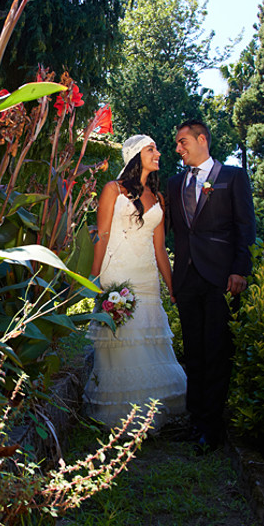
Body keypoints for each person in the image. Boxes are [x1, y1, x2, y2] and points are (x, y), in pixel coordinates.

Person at [84, 134, 186, 430]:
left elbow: (160, 248)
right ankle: (122, 416)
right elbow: (102, 235)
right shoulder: (113, 190)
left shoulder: (159, 198)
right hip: (118, 275)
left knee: (147, 342)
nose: (158, 153)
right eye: (151, 149)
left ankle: (151, 413)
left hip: (147, 277)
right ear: (134, 156)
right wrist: (93, 277)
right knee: (122, 343)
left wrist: (172, 286)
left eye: (156, 149)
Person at [166, 119, 256, 451]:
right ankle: (195, 421)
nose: (178, 148)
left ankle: (211, 428)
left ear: (202, 139)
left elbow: (246, 226)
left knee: (217, 351)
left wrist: (239, 270)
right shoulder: (174, 183)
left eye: (183, 142)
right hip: (187, 277)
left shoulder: (232, 177)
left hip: (221, 278)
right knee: (193, 352)